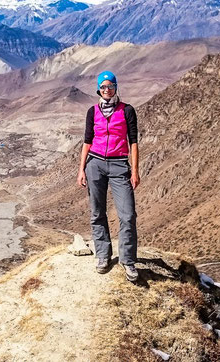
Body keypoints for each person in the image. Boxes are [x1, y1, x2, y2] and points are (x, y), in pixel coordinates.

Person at [77, 71, 140, 282]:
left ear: (116, 87)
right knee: (97, 213)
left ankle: (128, 260)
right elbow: (87, 141)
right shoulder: (92, 111)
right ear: (98, 89)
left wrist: (135, 170)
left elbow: (133, 142)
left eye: (110, 86)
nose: (107, 90)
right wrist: (81, 169)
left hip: (120, 165)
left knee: (128, 215)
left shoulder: (127, 111)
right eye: (103, 87)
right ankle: (103, 256)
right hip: (94, 164)